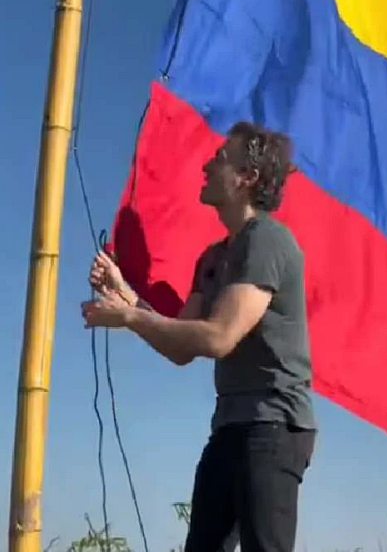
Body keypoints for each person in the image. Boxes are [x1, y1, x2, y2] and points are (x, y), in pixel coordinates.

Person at [81, 121, 317, 552]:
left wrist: (129, 316)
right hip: (229, 426)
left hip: (273, 427)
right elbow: (182, 345)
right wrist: (124, 293)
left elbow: (218, 337)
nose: (207, 166)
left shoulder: (267, 240)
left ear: (247, 177)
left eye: (220, 158)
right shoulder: (213, 258)